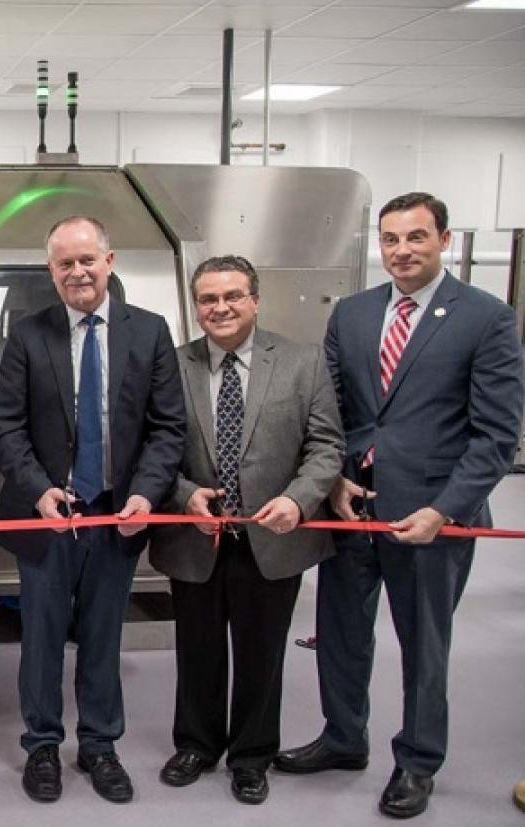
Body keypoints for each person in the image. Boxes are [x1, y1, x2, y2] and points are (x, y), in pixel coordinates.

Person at [275, 192, 524, 819]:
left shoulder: (485, 317)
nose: (402, 251)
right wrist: (332, 480)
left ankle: (417, 761)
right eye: (390, 239)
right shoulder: (354, 314)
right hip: (355, 504)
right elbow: (329, 410)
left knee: (424, 644)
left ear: (442, 239)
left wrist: (446, 509)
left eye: (416, 237)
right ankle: (343, 737)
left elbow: (496, 434)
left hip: (433, 517)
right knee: (340, 633)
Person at [0, 215, 185, 805]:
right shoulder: (29, 335)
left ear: (110, 260)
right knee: (42, 639)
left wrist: (146, 495)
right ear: (50, 271)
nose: (77, 272)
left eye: (86, 260)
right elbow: (7, 429)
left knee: (102, 638)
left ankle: (100, 745)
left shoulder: (149, 333)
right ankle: (42, 745)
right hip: (49, 518)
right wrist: (38, 488)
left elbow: (166, 429)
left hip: (114, 517)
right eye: (64, 264)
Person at [148, 255, 343, 804]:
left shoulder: (302, 363)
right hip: (196, 535)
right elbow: (153, 447)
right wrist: (185, 495)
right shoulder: (172, 365)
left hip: (273, 535)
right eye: (208, 299)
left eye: (232, 296)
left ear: (255, 299)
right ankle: (196, 744)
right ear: (196, 307)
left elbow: (326, 446)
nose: (220, 308)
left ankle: (252, 756)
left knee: (262, 652)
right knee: (198, 648)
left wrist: (297, 500)